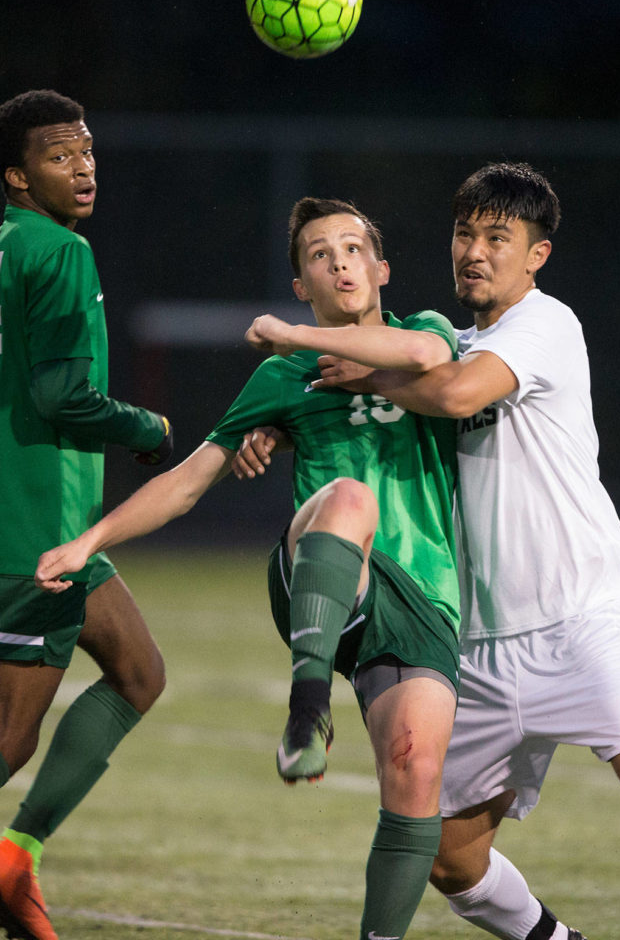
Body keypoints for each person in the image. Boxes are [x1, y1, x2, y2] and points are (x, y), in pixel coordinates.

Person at [241, 162, 620, 940]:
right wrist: (280, 421)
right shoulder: (438, 340)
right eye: (465, 233)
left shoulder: (544, 325)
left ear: (537, 255)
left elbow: (456, 394)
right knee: (450, 856)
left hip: (581, 619)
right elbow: (397, 378)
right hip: (481, 645)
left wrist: (366, 377)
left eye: (499, 237)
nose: (475, 252)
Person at [36, 196, 467, 940]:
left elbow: (430, 361)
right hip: (321, 579)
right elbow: (186, 482)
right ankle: (306, 708)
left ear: (382, 267)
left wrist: (284, 332)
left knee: (413, 771)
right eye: (319, 255)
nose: (339, 262)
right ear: (302, 281)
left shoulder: (423, 333)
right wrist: (89, 542)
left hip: (423, 598)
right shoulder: (283, 379)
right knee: (348, 497)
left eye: (353, 249)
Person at [0, 89, 174, 940]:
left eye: (87, 152)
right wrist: (147, 428)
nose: (82, 167)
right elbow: (64, 395)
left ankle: (15, 858)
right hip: (33, 530)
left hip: (50, 527)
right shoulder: (60, 251)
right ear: (15, 174)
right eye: (59, 155)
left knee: (138, 671)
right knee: (9, 738)